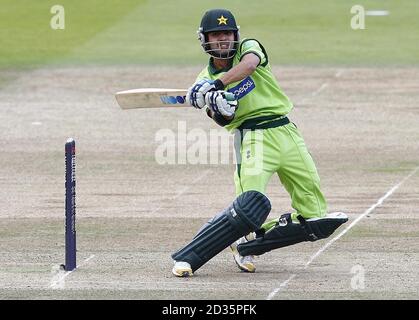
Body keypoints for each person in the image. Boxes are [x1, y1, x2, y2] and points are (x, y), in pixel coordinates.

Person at [171, 9, 348, 277]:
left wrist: (218, 85)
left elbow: (251, 65)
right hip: (251, 137)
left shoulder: (248, 48)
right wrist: (221, 108)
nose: (223, 40)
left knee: (315, 218)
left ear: (236, 35)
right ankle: (220, 244)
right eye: (216, 35)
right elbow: (219, 119)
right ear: (205, 40)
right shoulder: (201, 82)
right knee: (249, 207)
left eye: (227, 34)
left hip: (286, 131)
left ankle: (248, 241)